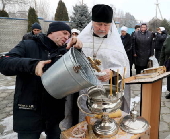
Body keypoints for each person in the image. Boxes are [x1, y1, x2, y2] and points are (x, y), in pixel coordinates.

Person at [0, 21, 82, 139]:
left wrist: (78, 50)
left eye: (69, 36)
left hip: (54, 113)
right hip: (28, 110)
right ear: (52, 32)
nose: (67, 37)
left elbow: (78, 71)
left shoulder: (64, 52)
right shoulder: (28, 45)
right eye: (64, 33)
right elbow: (4, 63)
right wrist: (33, 65)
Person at [159, 34, 170, 99]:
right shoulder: (168, 39)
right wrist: (161, 64)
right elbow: (163, 52)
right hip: (168, 61)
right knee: (169, 77)